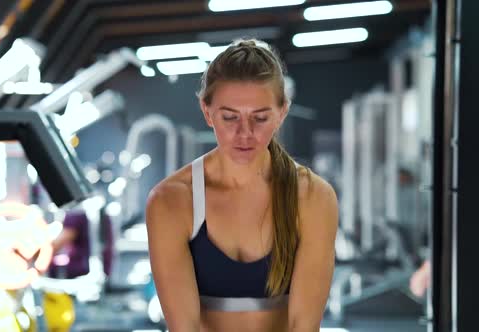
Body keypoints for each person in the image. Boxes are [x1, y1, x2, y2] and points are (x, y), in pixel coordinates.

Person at [145, 39, 339, 332]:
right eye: (230, 117)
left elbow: (304, 326)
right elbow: (185, 328)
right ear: (207, 111)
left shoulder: (313, 197)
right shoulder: (172, 201)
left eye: (260, 118)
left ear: (282, 112)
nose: (244, 133)